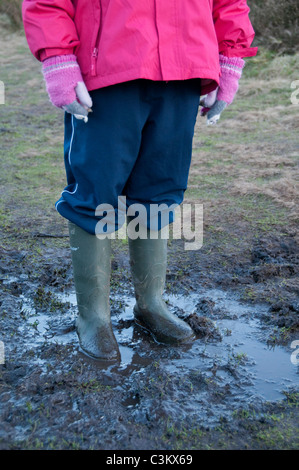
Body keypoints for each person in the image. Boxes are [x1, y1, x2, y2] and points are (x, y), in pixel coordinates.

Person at [22, 0, 257, 361]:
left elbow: (230, 3)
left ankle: (150, 304)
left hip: (184, 65)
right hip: (107, 67)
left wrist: (229, 58)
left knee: (161, 189)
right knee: (95, 191)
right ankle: (94, 317)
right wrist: (58, 58)